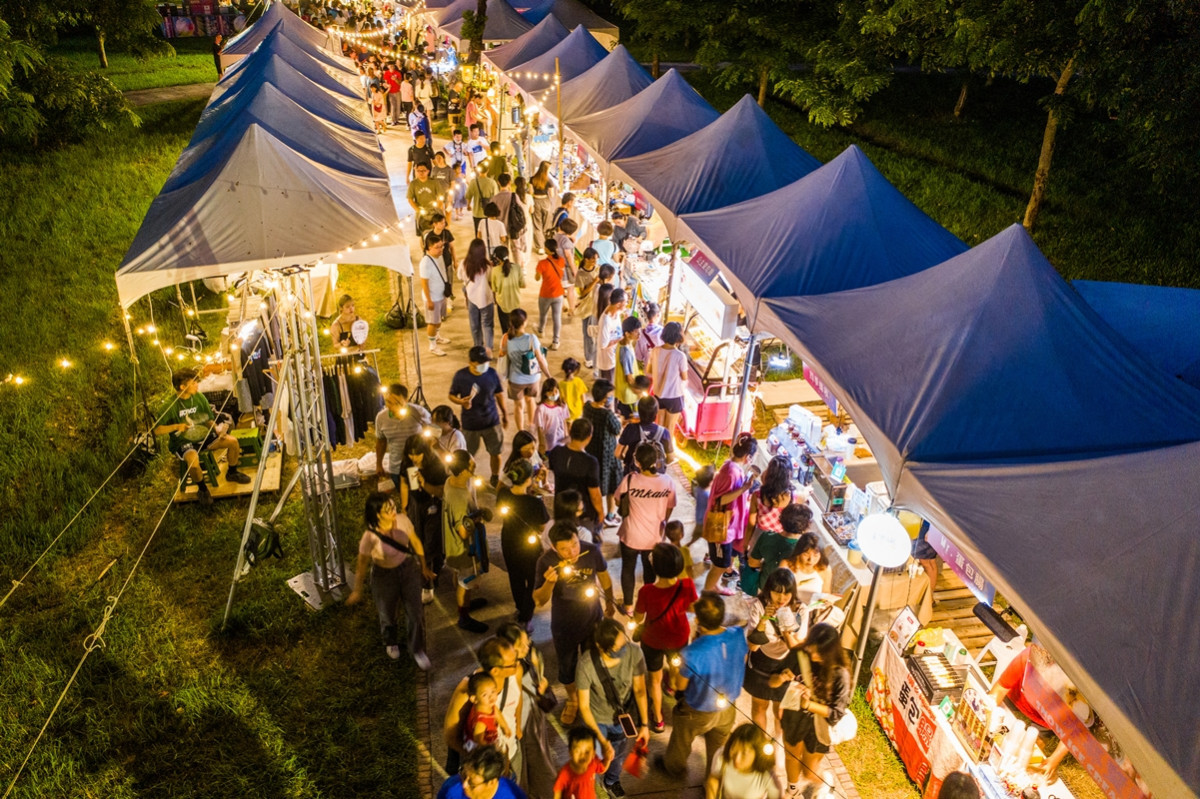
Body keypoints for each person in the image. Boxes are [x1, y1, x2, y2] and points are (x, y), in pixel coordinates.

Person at [533, 521, 616, 724]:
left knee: (594, 662)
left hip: (592, 618)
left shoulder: (591, 551)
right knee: (567, 666)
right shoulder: (546, 561)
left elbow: (604, 577)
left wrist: (611, 603)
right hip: (564, 624)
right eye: (564, 549)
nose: (572, 552)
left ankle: (593, 698)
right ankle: (573, 700)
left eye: (574, 544)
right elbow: (539, 600)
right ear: (553, 547)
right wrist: (549, 582)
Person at [660, 592, 748, 778]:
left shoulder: (693, 652)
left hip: (697, 709)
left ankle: (674, 768)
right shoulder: (738, 635)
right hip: (728, 706)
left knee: (681, 741)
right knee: (717, 749)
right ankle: (712, 782)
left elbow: (680, 686)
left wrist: (675, 668)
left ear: (698, 620)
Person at [347, 492, 433, 670]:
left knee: (416, 612)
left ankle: (416, 649)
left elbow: (415, 542)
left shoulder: (403, 520)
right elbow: (362, 563)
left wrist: (424, 566)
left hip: (407, 569)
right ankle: (390, 641)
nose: (394, 511)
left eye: (393, 506)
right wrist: (357, 589)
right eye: (388, 510)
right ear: (377, 514)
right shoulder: (369, 537)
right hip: (384, 575)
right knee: (387, 612)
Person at [575, 618, 651, 798]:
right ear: (601, 647)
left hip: (621, 717)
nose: (624, 649)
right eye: (618, 648)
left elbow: (640, 690)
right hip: (596, 719)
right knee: (593, 756)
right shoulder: (586, 665)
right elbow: (584, 706)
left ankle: (611, 781)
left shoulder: (634, 652)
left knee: (617, 753)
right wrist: (601, 739)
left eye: (624, 641)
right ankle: (588, 783)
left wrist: (645, 725)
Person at [155, 368, 251, 505]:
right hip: (184, 442)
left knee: (233, 442)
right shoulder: (169, 406)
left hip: (204, 436)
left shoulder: (199, 397)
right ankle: (202, 489)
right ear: (183, 387)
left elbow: (208, 419)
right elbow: (156, 430)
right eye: (193, 383)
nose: (197, 385)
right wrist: (176, 427)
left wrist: (217, 429)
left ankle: (232, 472)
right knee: (193, 465)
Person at [777, 623, 851, 799]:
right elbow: (778, 680)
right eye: (812, 648)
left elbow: (836, 713)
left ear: (831, 652)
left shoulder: (840, 674)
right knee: (790, 756)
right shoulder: (801, 654)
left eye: (820, 652)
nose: (814, 654)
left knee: (808, 772)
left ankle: (824, 781)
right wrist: (782, 679)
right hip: (794, 716)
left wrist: (808, 705)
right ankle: (792, 790)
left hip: (818, 727)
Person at [633, 542, 697, 731]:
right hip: (679, 637)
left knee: (654, 679)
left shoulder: (646, 591)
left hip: (652, 640)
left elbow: (638, 618)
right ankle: (676, 693)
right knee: (677, 670)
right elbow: (693, 608)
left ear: (656, 567)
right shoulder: (687, 585)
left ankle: (658, 717)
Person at [614, 444, 678, 614]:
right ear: (656, 461)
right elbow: (670, 506)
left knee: (628, 569)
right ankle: (647, 605)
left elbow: (618, 500)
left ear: (637, 462)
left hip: (630, 535)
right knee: (649, 571)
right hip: (654, 537)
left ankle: (628, 606)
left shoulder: (630, 479)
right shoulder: (667, 481)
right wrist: (662, 520)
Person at [496, 622, 558, 795]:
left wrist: (543, 685)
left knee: (539, 764)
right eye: (521, 645)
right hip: (516, 730)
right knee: (524, 770)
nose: (527, 646)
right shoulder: (499, 673)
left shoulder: (529, 658)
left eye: (527, 641)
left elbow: (537, 680)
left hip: (531, 721)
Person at [743, 568, 803, 735]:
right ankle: (760, 742)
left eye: (787, 594)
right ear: (769, 590)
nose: (781, 599)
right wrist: (764, 620)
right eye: (777, 593)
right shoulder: (759, 606)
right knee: (759, 706)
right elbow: (753, 647)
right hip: (762, 662)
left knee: (781, 711)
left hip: (786, 665)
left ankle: (777, 749)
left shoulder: (800, 610)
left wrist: (785, 626)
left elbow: (797, 647)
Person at [704, 435, 760, 594]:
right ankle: (706, 595)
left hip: (727, 527)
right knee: (720, 565)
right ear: (748, 456)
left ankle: (714, 586)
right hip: (720, 528)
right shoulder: (731, 472)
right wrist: (743, 489)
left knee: (723, 562)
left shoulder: (731, 466)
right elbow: (720, 499)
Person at [497, 459, 549, 629]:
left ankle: (520, 609)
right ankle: (526, 616)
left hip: (509, 541)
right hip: (529, 546)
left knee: (515, 577)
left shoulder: (503, 495)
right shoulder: (535, 503)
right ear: (529, 479)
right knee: (532, 579)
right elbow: (542, 527)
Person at [442, 450, 490, 634]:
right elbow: (463, 531)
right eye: (471, 466)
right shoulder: (459, 497)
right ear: (462, 471)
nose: (474, 466)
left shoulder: (450, 482)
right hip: (463, 549)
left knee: (460, 578)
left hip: (453, 545)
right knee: (466, 581)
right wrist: (477, 518)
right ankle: (464, 617)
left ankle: (466, 605)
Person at [449, 346, 509, 487]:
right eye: (480, 362)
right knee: (468, 455)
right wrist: (461, 402)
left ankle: (494, 476)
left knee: (496, 452)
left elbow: (499, 394)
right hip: (470, 425)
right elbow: (451, 395)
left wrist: (505, 414)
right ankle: (466, 476)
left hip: (491, 422)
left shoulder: (492, 373)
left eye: (485, 362)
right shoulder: (461, 376)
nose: (484, 365)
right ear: (471, 362)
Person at [398, 434, 447, 604]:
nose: (414, 458)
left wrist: (424, 483)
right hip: (415, 506)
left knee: (431, 542)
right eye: (411, 454)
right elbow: (404, 482)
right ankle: (428, 573)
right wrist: (404, 507)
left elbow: (441, 492)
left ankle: (428, 584)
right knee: (417, 540)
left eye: (417, 454)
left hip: (433, 505)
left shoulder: (436, 465)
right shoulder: (407, 463)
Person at [742, 455, 800, 595]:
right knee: (773, 570)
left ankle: (757, 591)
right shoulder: (792, 496)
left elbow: (751, 523)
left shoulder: (758, 495)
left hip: (760, 538)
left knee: (757, 567)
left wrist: (746, 543)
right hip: (780, 539)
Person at [547, 419, 605, 542]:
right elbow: (594, 494)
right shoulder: (590, 462)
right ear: (589, 437)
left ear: (570, 432)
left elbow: (552, 468)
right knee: (583, 541)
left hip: (561, 506)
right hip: (582, 511)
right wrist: (601, 512)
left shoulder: (556, 452)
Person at [750, 497, 814, 598]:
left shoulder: (766, 536)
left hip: (764, 587)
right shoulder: (802, 549)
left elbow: (753, 562)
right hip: (785, 595)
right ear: (805, 527)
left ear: (781, 519)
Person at [500, 309, 550, 433]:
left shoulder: (506, 338)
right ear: (525, 322)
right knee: (530, 400)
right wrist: (549, 375)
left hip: (515, 379)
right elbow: (540, 359)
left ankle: (521, 431)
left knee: (518, 406)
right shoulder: (532, 339)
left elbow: (503, 355)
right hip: (532, 378)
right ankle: (531, 425)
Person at [375, 383, 432, 488]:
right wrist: (379, 464)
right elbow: (381, 442)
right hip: (397, 467)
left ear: (406, 401)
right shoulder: (381, 418)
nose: (391, 406)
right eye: (388, 402)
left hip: (418, 466)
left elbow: (433, 434)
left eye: (397, 403)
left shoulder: (419, 413)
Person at [582, 379, 623, 527]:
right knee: (611, 486)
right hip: (608, 455)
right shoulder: (608, 415)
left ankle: (594, 510)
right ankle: (610, 516)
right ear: (605, 397)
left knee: (594, 484)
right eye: (610, 396)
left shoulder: (587, 407)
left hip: (591, 451)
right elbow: (617, 429)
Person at [706, 724, 784, 799]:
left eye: (744, 754)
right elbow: (714, 778)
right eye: (734, 749)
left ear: (757, 754)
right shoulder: (722, 755)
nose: (737, 759)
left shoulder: (768, 776)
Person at [646, 321, 688, 437]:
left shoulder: (655, 350)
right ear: (678, 337)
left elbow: (649, 371)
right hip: (674, 396)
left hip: (659, 394)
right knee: (669, 428)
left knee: (660, 426)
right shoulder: (680, 356)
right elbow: (684, 377)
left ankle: (657, 448)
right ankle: (666, 452)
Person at [437, 746, 527, 799]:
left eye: (472, 783)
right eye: (464, 775)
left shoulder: (511, 794)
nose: (464, 785)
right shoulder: (452, 788)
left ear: (492, 782)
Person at [615, 396, 673, 474]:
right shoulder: (664, 432)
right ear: (656, 413)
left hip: (633, 475)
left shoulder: (630, 428)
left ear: (639, 412)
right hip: (655, 477)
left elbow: (617, 453)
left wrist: (627, 460)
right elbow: (670, 458)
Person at [458, 238, 496, 352]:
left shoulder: (464, 264)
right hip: (487, 299)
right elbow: (491, 281)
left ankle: (478, 347)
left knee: (475, 326)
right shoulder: (488, 266)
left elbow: (461, 277)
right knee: (488, 325)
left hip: (472, 298)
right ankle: (488, 349)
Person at [553, 727, 611, 799]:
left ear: (593, 753)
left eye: (587, 752)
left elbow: (602, 769)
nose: (582, 755)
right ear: (570, 752)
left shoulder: (593, 762)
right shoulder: (565, 773)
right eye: (578, 751)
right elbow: (557, 792)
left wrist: (608, 759)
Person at [419, 232, 452, 356]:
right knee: (432, 322)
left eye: (441, 246)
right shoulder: (425, 263)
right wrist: (429, 300)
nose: (440, 249)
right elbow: (424, 283)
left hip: (441, 295)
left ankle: (437, 336)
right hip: (433, 298)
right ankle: (432, 346)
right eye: (437, 247)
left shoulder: (439, 257)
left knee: (438, 320)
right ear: (428, 248)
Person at [464, 672, 513, 750]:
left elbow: (497, 714)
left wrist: (505, 726)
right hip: (480, 747)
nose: (491, 696)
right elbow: (478, 739)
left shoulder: (488, 705)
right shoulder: (480, 721)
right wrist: (490, 748)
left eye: (493, 691)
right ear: (474, 699)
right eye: (484, 694)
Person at [534, 238, 566, 348]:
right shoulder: (561, 260)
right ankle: (556, 341)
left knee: (543, 314)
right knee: (557, 317)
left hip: (545, 293)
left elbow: (537, 278)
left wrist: (537, 271)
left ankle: (541, 330)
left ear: (546, 249)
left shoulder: (542, 263)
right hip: (558, 293)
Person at [488, 246, 524, 336]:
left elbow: (494, 289)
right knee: (516, 327)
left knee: (505, 330)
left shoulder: (495, 271)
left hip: (502, 304)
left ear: (497, 258)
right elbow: (523, 284)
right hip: (515, 303)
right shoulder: (517, 268)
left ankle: (508, 345)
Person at [613, 316, 643, 418]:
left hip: (622, 391)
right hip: (628, 395)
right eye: (636, 332)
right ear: (627, 333)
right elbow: (629, 378)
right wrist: (639, 392)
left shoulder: (622, 344)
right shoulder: (626, 352)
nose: (639, 334)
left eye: (639, 331)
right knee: (629, 419)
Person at [596, 288, 627, 383]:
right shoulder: (606, 321)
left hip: (614, 357)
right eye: (625, 302)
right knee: (608, 387)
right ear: (618, 304)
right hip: (607, 362)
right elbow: (603, 345)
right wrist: (621, 339)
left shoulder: (616, 311)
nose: (627, 304)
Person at [534, 379, 570, 457]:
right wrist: (542, 444)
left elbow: (564, 421)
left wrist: (566, 435)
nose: (554, 394)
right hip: (549, 444)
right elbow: (540, 428)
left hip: (561, 441)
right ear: (545, 393)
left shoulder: (562, 405)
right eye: (550, 392)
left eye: (556, 391)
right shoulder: (541, 409)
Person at [408, 161, 443, 236]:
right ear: (416, 171)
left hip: (434, 212)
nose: (421, 173)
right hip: (421, 214)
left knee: (437, 234)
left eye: (423, 170)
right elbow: (410, 199)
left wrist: (438, 207)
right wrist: (418, 210)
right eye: (419, 171)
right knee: (423, 235)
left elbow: (440, 197)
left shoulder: (434, 182)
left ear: (428, 171)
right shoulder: (413, 184)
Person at [467, 168, 500, 239]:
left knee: (478, 233)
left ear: (479, 171)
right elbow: (496, 197)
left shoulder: (473, 182)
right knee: (490, 233)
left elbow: (468, 195)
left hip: (477, 213)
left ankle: (479, 247)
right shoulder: (492, 182)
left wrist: (468, 205)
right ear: (487, 170)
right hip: (489, 213)